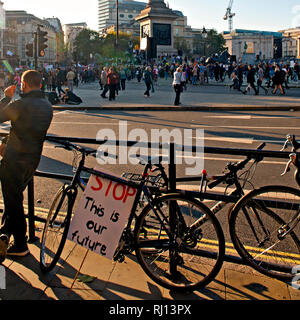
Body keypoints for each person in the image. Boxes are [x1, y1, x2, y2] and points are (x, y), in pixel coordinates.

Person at [0, 70, 53, 261]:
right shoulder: (47, 105)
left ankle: (21, 245)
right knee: (12, 200)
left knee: (13, 203)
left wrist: (6, 98)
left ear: (24, 84)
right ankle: (4, 235)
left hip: (14, 160)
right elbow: (26, 130)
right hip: (32, 160)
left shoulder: (21, 104)